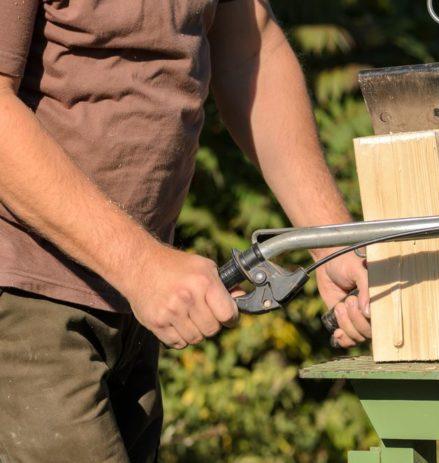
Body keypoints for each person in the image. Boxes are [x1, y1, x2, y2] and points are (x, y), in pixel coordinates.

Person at [0, 0, 371, 461]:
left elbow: (250, 50)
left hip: (127, 305)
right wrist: (141, 264)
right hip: (24, 296)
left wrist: (330, 239)